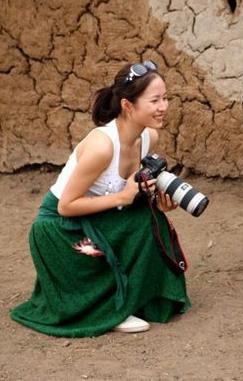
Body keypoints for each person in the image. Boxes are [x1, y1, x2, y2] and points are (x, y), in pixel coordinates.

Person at [10, 61, 191, 337]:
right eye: (155, 100)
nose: (163, 106)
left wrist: (158, 202)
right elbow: (65, 206)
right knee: (111, 233)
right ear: (128, 105)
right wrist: (123, 196)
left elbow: (130, 194)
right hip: (59, 229)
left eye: (165, 98)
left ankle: (137, 297)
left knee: (148, 219)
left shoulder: (148, 137)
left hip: (95, 216)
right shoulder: (102, 146)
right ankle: (110, 309)